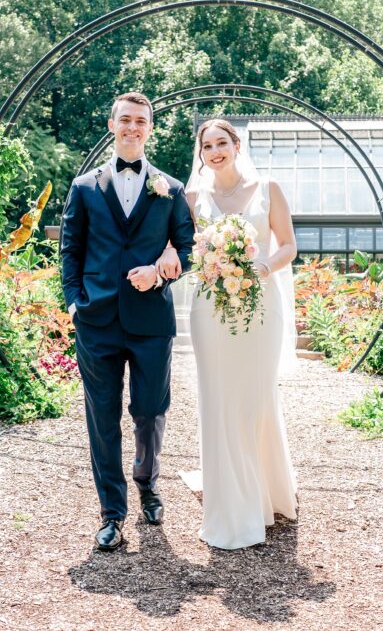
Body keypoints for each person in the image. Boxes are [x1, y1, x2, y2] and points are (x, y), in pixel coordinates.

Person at [59, 92, 196, 551]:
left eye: (141, 121)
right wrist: (75, 301)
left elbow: (187, 248)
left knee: (150, 410)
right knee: (102, 416)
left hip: (152, 320)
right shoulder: (83, 187)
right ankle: (111, 512)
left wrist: (160, 270)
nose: (133, 128)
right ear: (112, 124)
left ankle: (148, 481)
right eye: (126, 120)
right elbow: (70, 250)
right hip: (96, 320)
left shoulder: (171, 189)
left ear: (150, 128)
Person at [156, 119, 298, 549]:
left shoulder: (269, 189)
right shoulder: (192, 198)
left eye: (222, 143)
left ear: (237, 146)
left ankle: (267, 493)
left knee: (256, 399)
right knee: (218, 401)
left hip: (261, 307)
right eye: (207, 146)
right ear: (201, 154)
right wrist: (184, 257)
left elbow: (289, 245)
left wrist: (261, 266)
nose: (215, 151)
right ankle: (231, 509)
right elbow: (178, 246)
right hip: (212, 311)